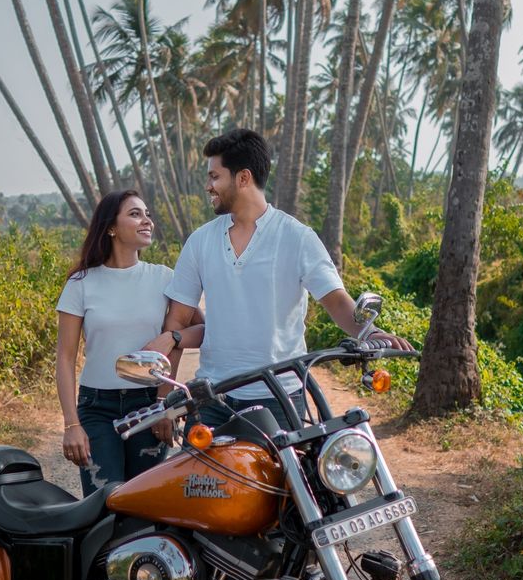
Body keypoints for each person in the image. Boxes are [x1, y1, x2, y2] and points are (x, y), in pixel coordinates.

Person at [149, 128, 411, 432]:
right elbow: (177, 321)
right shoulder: (200, 242)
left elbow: (337, 302)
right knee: (208, 482)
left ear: (243, 178)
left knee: (285, 480)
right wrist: (163, 401)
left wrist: (370, 331)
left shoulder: (297, 237)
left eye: (215, 177)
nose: (208, 186)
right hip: (212, 398)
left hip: (279, 395)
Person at [56, 189, 202, 496]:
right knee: (103, 504)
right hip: (96, 407)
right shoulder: (81, 283)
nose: (147, 220)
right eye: (135, 214)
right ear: (110, 227)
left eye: (147, 213)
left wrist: (171, 337)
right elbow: (65, 358)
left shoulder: (164, 278)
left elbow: (203, 329)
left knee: (144, 504)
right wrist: (72, 425)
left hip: (149, 405)